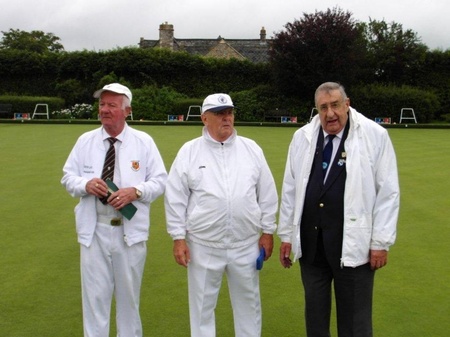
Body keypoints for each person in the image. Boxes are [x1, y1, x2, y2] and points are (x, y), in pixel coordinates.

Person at [277, 82, 400, 337]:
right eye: (323, 107)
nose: (330, 113)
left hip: (354, 245)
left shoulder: (374, 135)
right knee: (315, 317)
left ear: (347, 103)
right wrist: (287, 236)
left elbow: (388, 192)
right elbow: (290, 188)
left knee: (355, 322)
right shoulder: (302, 137)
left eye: (335, 105)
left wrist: (381, 241)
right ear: (316, 109)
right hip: (312, 247)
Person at [164, 93, 278, 337]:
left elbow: (267, 193)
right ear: (204, 118)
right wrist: (178, 237)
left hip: (245, 244)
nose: (226, 117)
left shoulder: (251, 149)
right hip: (203, 245)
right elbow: (175, 196)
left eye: (229, 112)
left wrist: (268, 231)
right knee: (202, 309)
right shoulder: (189, 151)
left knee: (249, 307)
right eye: (219, 113)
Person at [61, 83, 167, 337]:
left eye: (112, 105)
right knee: (94, 300)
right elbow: (67, 178)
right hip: (94, 230)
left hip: (129, 232)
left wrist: (136, 192)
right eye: (102, 104)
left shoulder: (143, 142)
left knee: (129, 301)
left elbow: (160, 180)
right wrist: (85, 184)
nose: (105, 110)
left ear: (127, 110)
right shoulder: (85, 141)